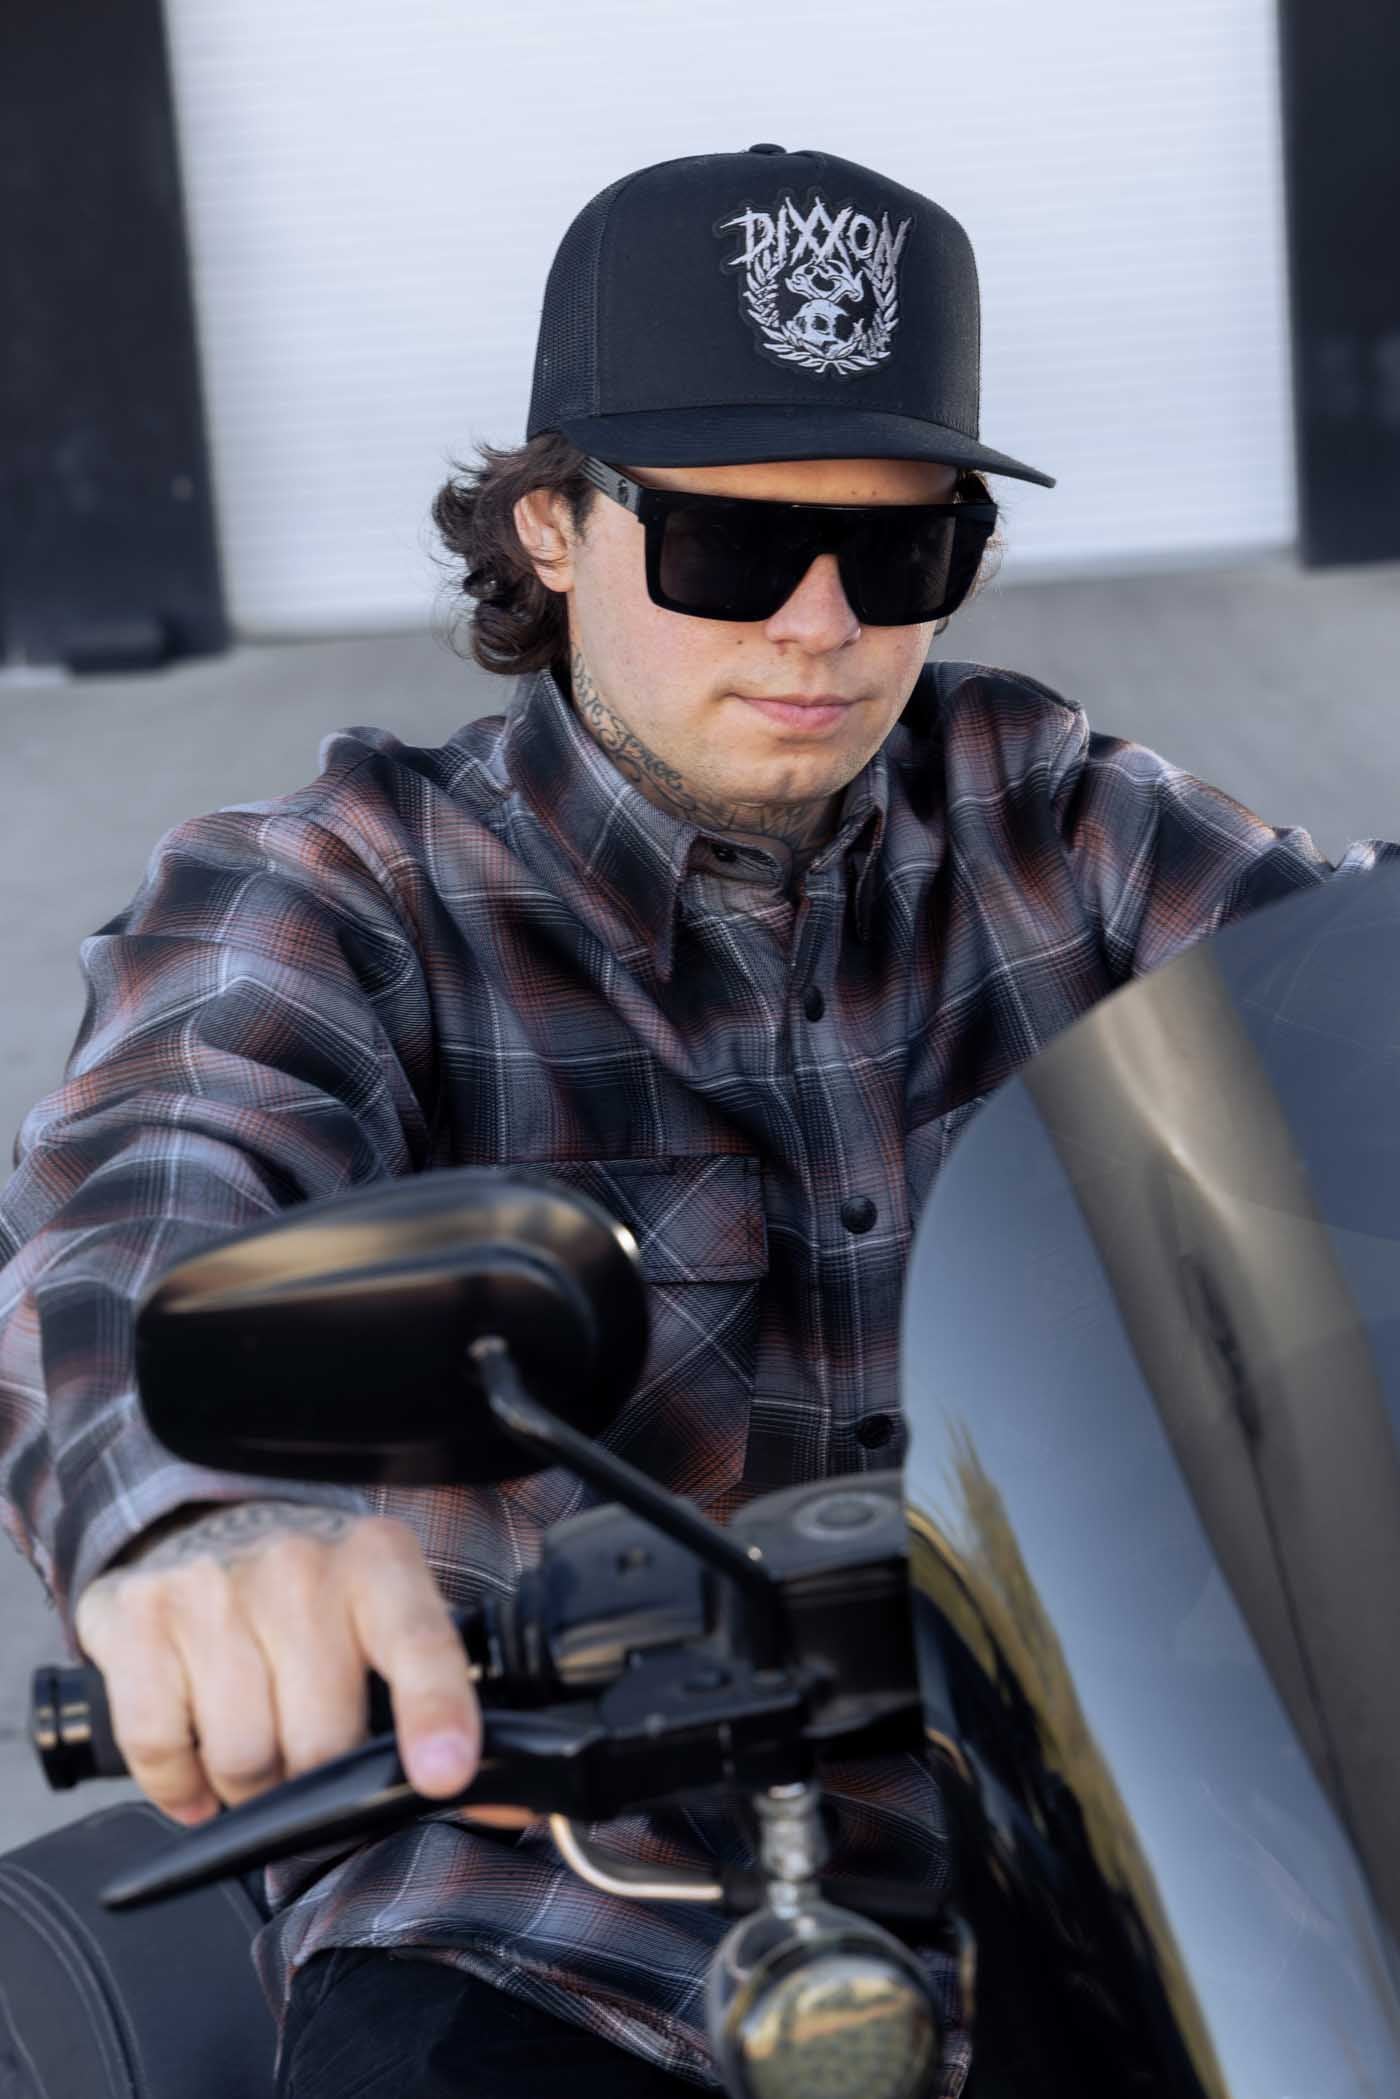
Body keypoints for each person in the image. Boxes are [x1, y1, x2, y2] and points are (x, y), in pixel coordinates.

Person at [0, 144, 1392, 2099]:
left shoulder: (1053, 814)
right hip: (556, 1897)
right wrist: (206, 1519)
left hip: (1112, 1841)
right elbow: (148, 1188)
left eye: (899, 555)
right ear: (555, 526)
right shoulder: (340, 885)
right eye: (735, 547)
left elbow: (1348, 991)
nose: (821, 626)